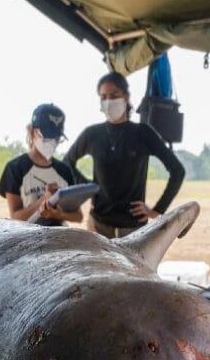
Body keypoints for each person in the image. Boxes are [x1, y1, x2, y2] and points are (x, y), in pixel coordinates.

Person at [63, 72, 185, 238]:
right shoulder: (92, 134)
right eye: (103, 97)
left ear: (126, 97)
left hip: (133, 230)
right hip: (98, 226)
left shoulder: (142, 133)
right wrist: (90, 188)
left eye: (114, 96)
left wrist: (157, 210)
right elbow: (67, 163)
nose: (109, 101)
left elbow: (178, 171)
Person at [0, 104, 82, 226]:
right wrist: (45, 199)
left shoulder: (64, 170)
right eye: (47, 137)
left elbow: (78, 216)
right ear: (33, 132)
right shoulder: (15, 168)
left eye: (56, 138)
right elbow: (15, 217)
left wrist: (58, 215)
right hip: (28, 235)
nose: (52, 142)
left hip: (60, 234)